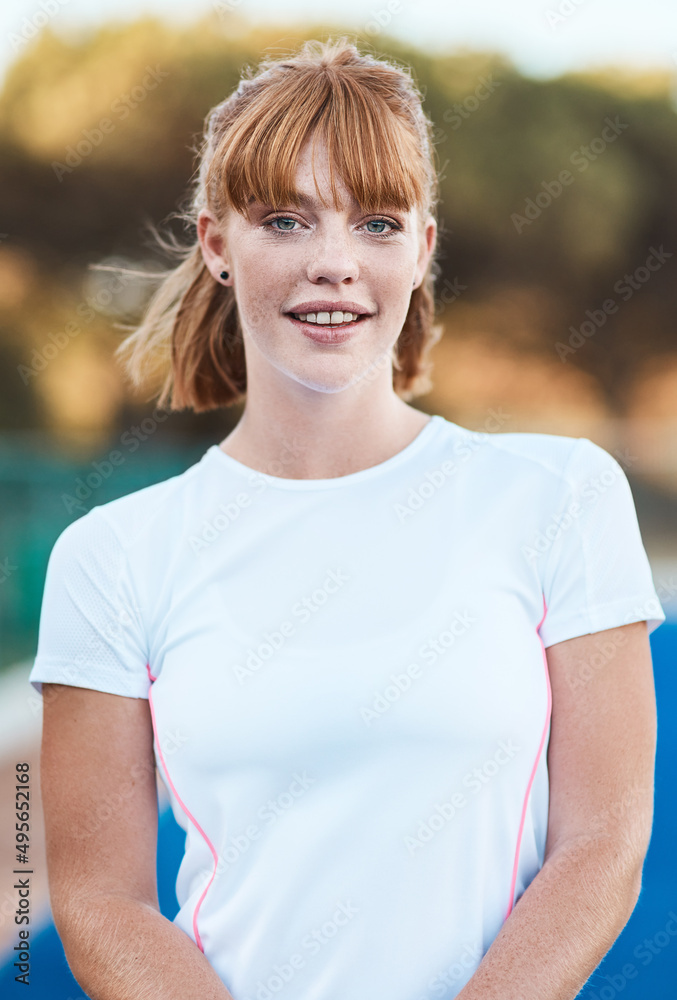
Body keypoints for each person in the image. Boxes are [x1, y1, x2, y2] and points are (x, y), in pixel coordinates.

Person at [30, 36, 665, 1000]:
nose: (333, 262)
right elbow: (99, 905)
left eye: (376, 222)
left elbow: (603, 845)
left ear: (423, 248)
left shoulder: (560, 498)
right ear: (215, 245)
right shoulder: (111, 557)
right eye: (285, 220)